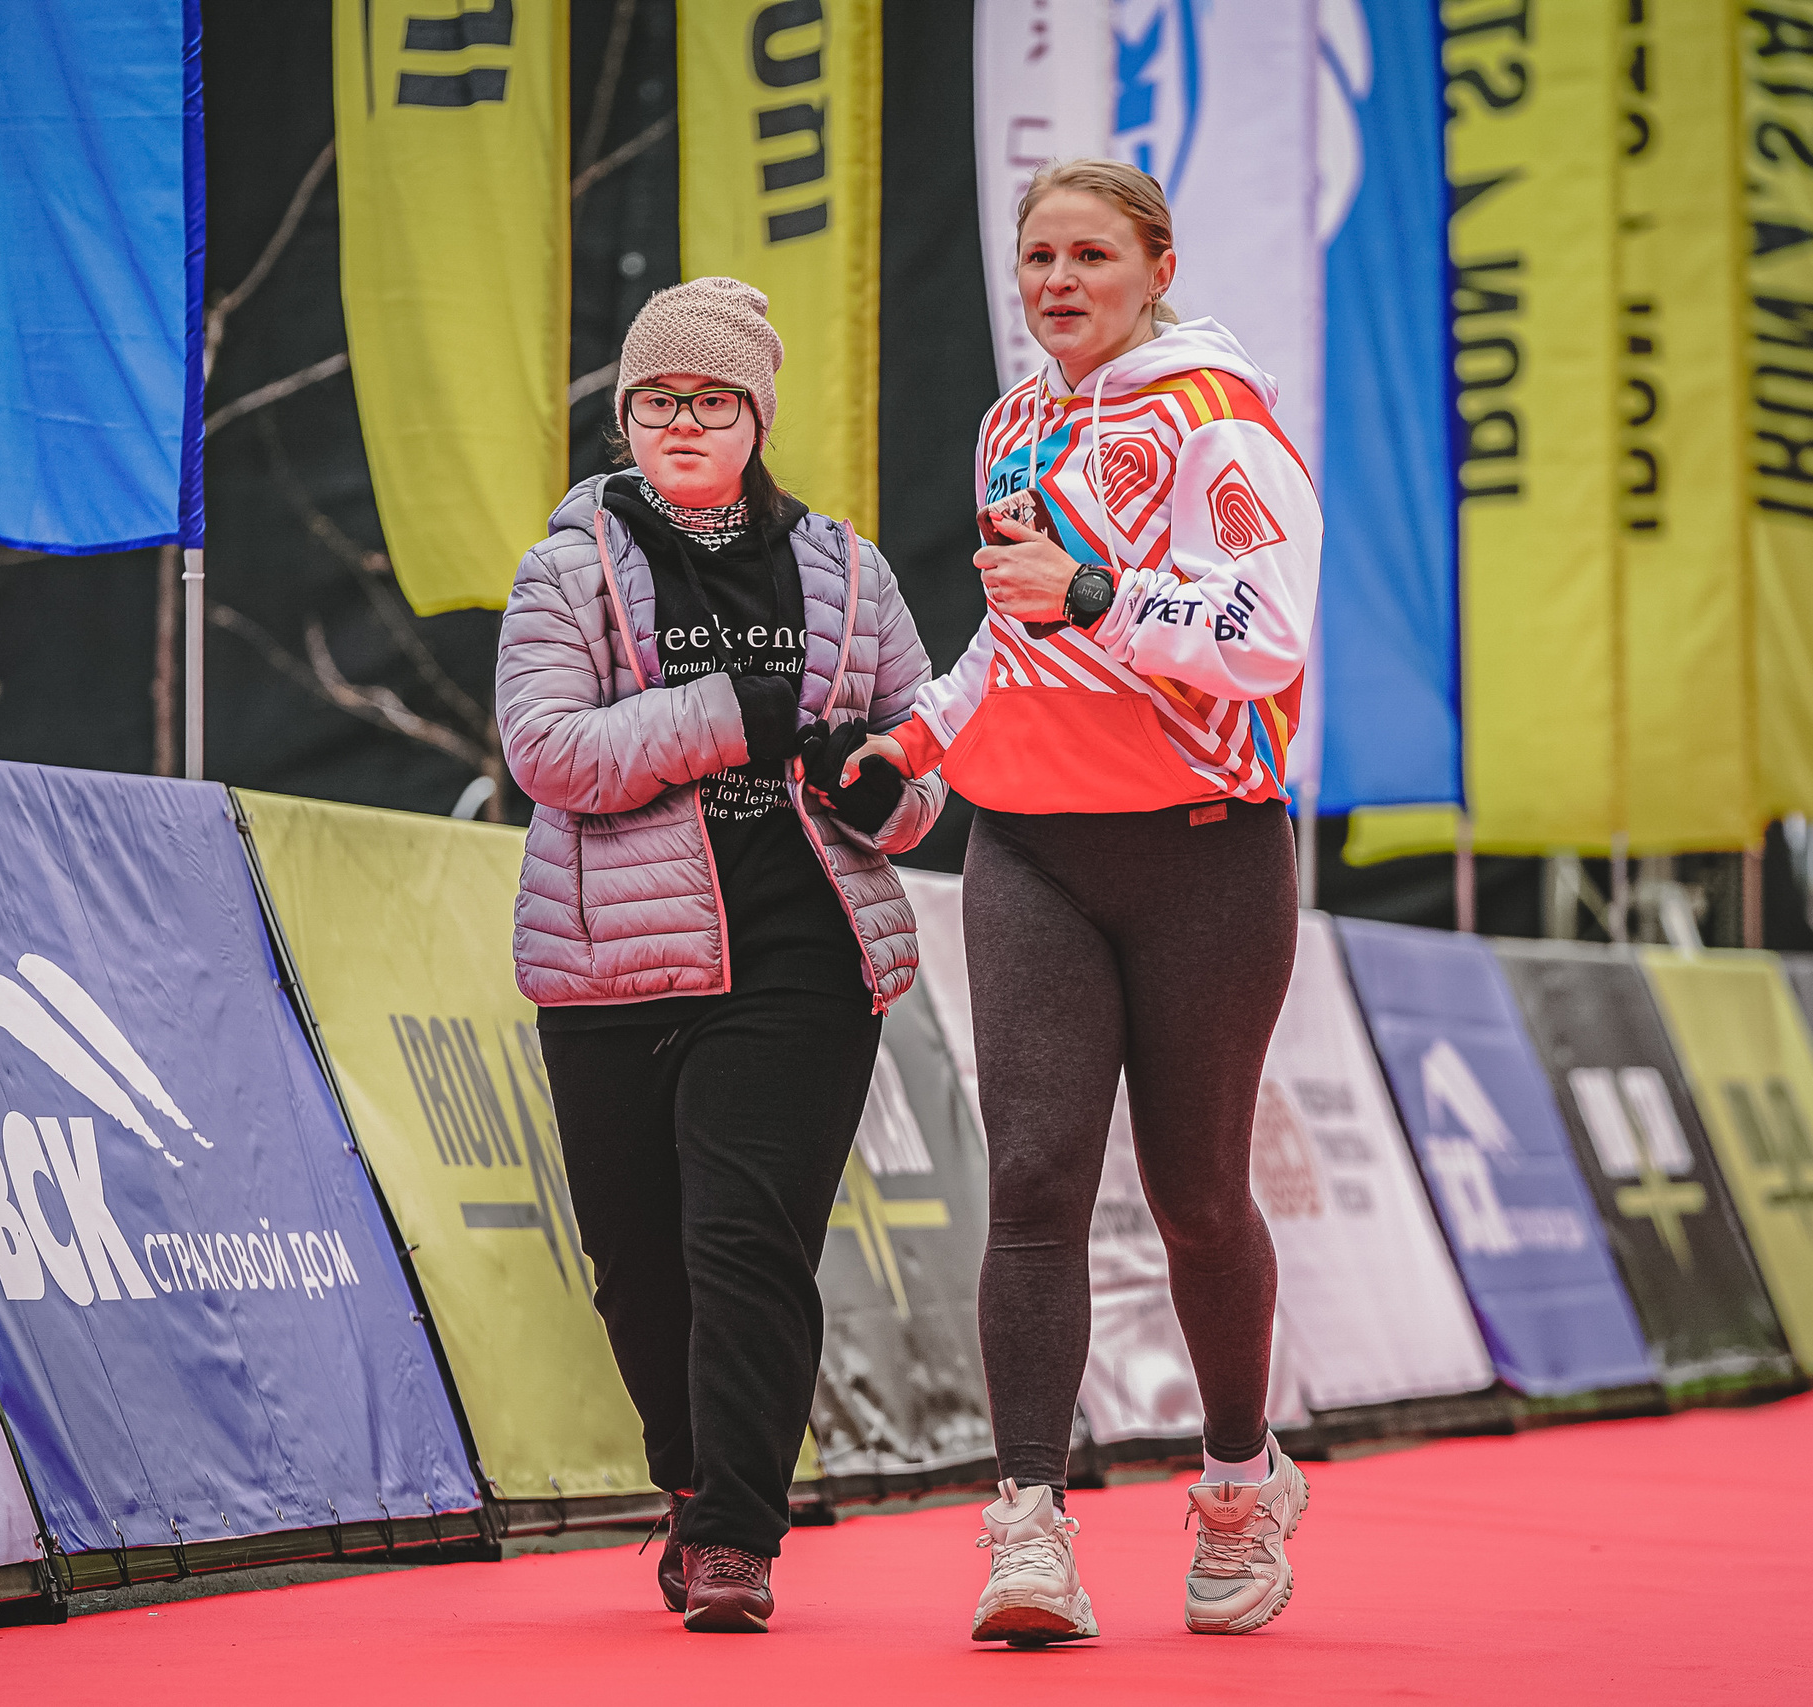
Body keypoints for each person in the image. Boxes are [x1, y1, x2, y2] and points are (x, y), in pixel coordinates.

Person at [852, 159, 1322, 1643]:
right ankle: (1029, 1526)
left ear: (1155, 262)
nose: (1058, 282)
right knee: (1039, 1177)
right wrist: (913, 736)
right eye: (1037, 256)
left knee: (1194, 1196)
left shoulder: (1217, 416)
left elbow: (1268, 629)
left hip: (1206, 854)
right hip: (1033, 848)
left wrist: (1105, 593)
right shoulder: (1013, 425)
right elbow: (1013, 637)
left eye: (1090, 256)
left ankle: (1241, 1489)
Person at [495, 276, 944, 1634]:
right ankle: (691, 1488)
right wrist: (733, 714)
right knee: (640, 1263)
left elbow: (922, 751)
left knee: (746, 1244)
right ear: (627, 415)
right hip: (615, 964)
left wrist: (888, 795)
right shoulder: (567, 567)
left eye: (708, 399)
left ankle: (741, 1538)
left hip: (801, 955)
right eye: (656, 399)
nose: (681, 420)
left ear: (755, 414)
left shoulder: (849, 571)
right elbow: (547, 751)